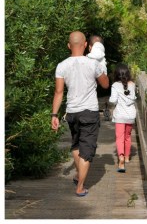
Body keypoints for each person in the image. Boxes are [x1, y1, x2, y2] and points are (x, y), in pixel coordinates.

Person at [51, 31, 109, 197]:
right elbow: (105, 85)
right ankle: (80, 187)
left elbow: (58, 92)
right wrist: (102, 66)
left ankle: (78, 174)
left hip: (72, 113)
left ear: (69, 46)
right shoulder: (93, 63)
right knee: (87, 150)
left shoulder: (61, 66)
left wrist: (54, 115)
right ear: (85, 46)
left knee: (76, 145)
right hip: (89, 112)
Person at [109, 63, 137, 173]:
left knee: (119, 137)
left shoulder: (115, 85)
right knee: (128, 136)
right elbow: (133, 98)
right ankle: (127, 157)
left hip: (120, 115)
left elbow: (113, 100)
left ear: (116, 74)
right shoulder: (132, 84)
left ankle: (120, 158)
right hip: (130, 115)